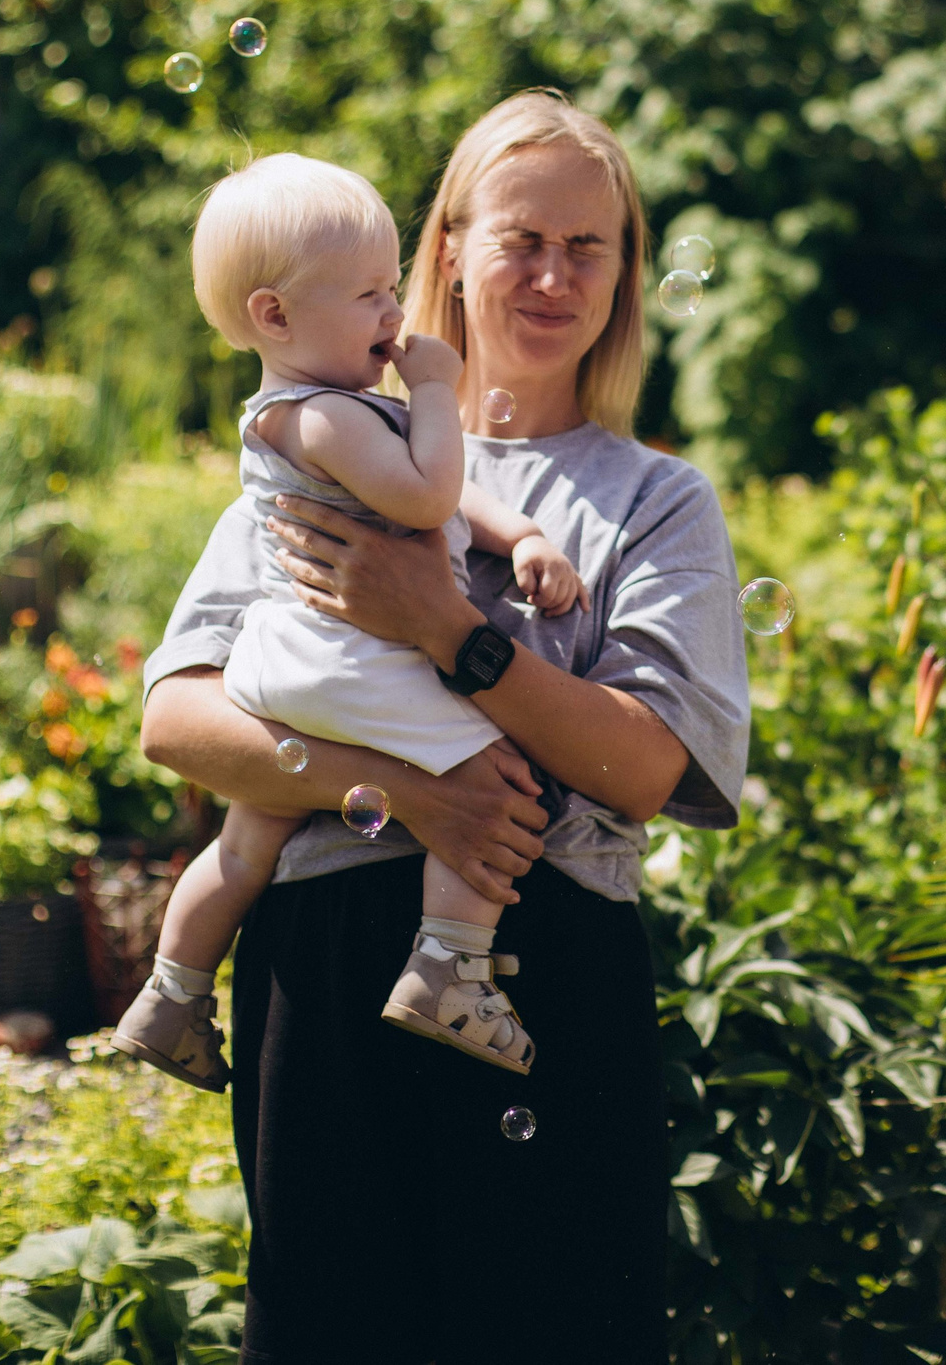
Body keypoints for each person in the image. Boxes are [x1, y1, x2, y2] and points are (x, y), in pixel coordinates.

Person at [137, 90, 749, 1365]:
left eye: (588, 247)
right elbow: (180, 721)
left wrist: (447, 628)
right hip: (323, 964)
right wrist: (402, 789)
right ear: (451, 250)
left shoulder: (654, 500)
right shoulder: (329, 440)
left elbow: (645, 766)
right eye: (522, 239)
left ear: (625, 273)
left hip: (548, 972)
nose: (553, 275)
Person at [111, 154, 588, 1092]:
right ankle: (450, 964)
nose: (393, 314)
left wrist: (524, 533)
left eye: (392, 287)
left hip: (297, 669)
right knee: (492, 767)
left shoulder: (321, 415)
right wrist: (440, 390)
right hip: (351, 657)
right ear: (275, 316)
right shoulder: (324, 417)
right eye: (369, 294)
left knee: (248, 838)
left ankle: (171, 993)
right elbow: (428, 496)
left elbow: (452, 498)